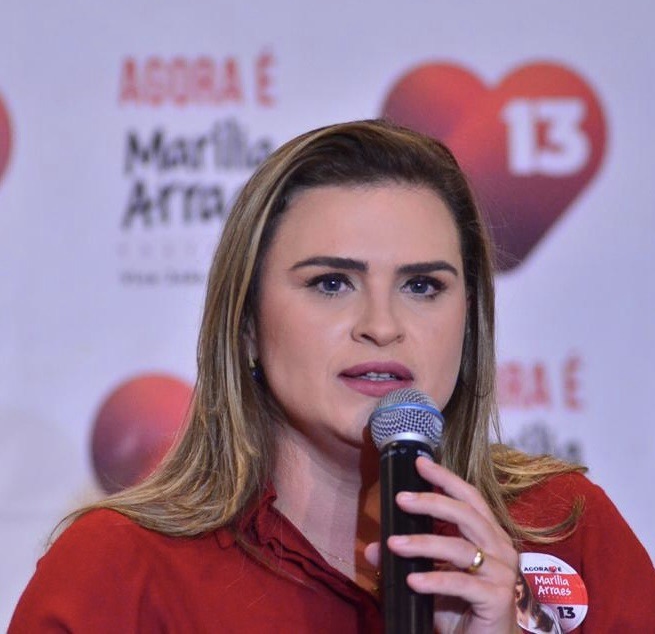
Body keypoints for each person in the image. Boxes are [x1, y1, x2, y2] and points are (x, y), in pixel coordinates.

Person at [9, 120, 655, 633]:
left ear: (470, 321)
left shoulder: (565, 530)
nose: (382, 325)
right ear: (246, 323)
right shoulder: (119, 571)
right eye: (331, 283)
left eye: (422, 286)